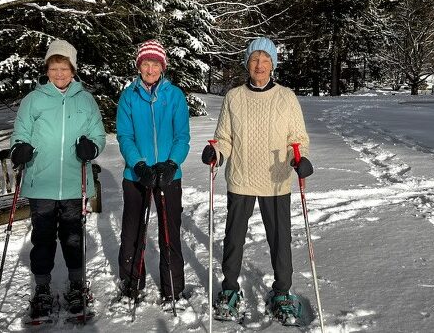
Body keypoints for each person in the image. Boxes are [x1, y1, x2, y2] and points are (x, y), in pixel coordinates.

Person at [201, 36, 313, 324]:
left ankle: (282, 293)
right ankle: (229, 290)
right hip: (241, 178)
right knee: (234, 239)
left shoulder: (286, 97)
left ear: (272, 64)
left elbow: (297, 139)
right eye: (254, 59)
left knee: (280, 240)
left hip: (275, 180)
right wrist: (216, 152)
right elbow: (225, 138)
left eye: (265, 60)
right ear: (247, 64)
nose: (259, 65)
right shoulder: (234, 97)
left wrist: (298, 159)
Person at [10, 39, 106, 319]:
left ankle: (76, 284)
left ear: (73, 70)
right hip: (42, 183)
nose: (59, 74)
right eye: (54, 68)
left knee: (73, 237)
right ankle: (42, 289)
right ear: (47, 69)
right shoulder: (33, 100)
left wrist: (93, 148)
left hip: (75, 184)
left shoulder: (86, 100)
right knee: (42, 237)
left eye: (64, 68)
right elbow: (20, 133)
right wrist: (19, 149)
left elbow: (99, 136)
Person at [116, 39, 190, 305]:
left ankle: (173, 287)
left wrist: (171, 164)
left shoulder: (174, 96)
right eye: (145, 63)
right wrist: (138, 164)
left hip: (169, 175)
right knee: (132, 232)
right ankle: (132, 283)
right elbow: (124, 136)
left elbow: (182, 136)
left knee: (170, 231)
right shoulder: (129, 96)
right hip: (137, 175)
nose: (150, 69)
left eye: (155, 64)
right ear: (139, 66)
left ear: (163, 66)